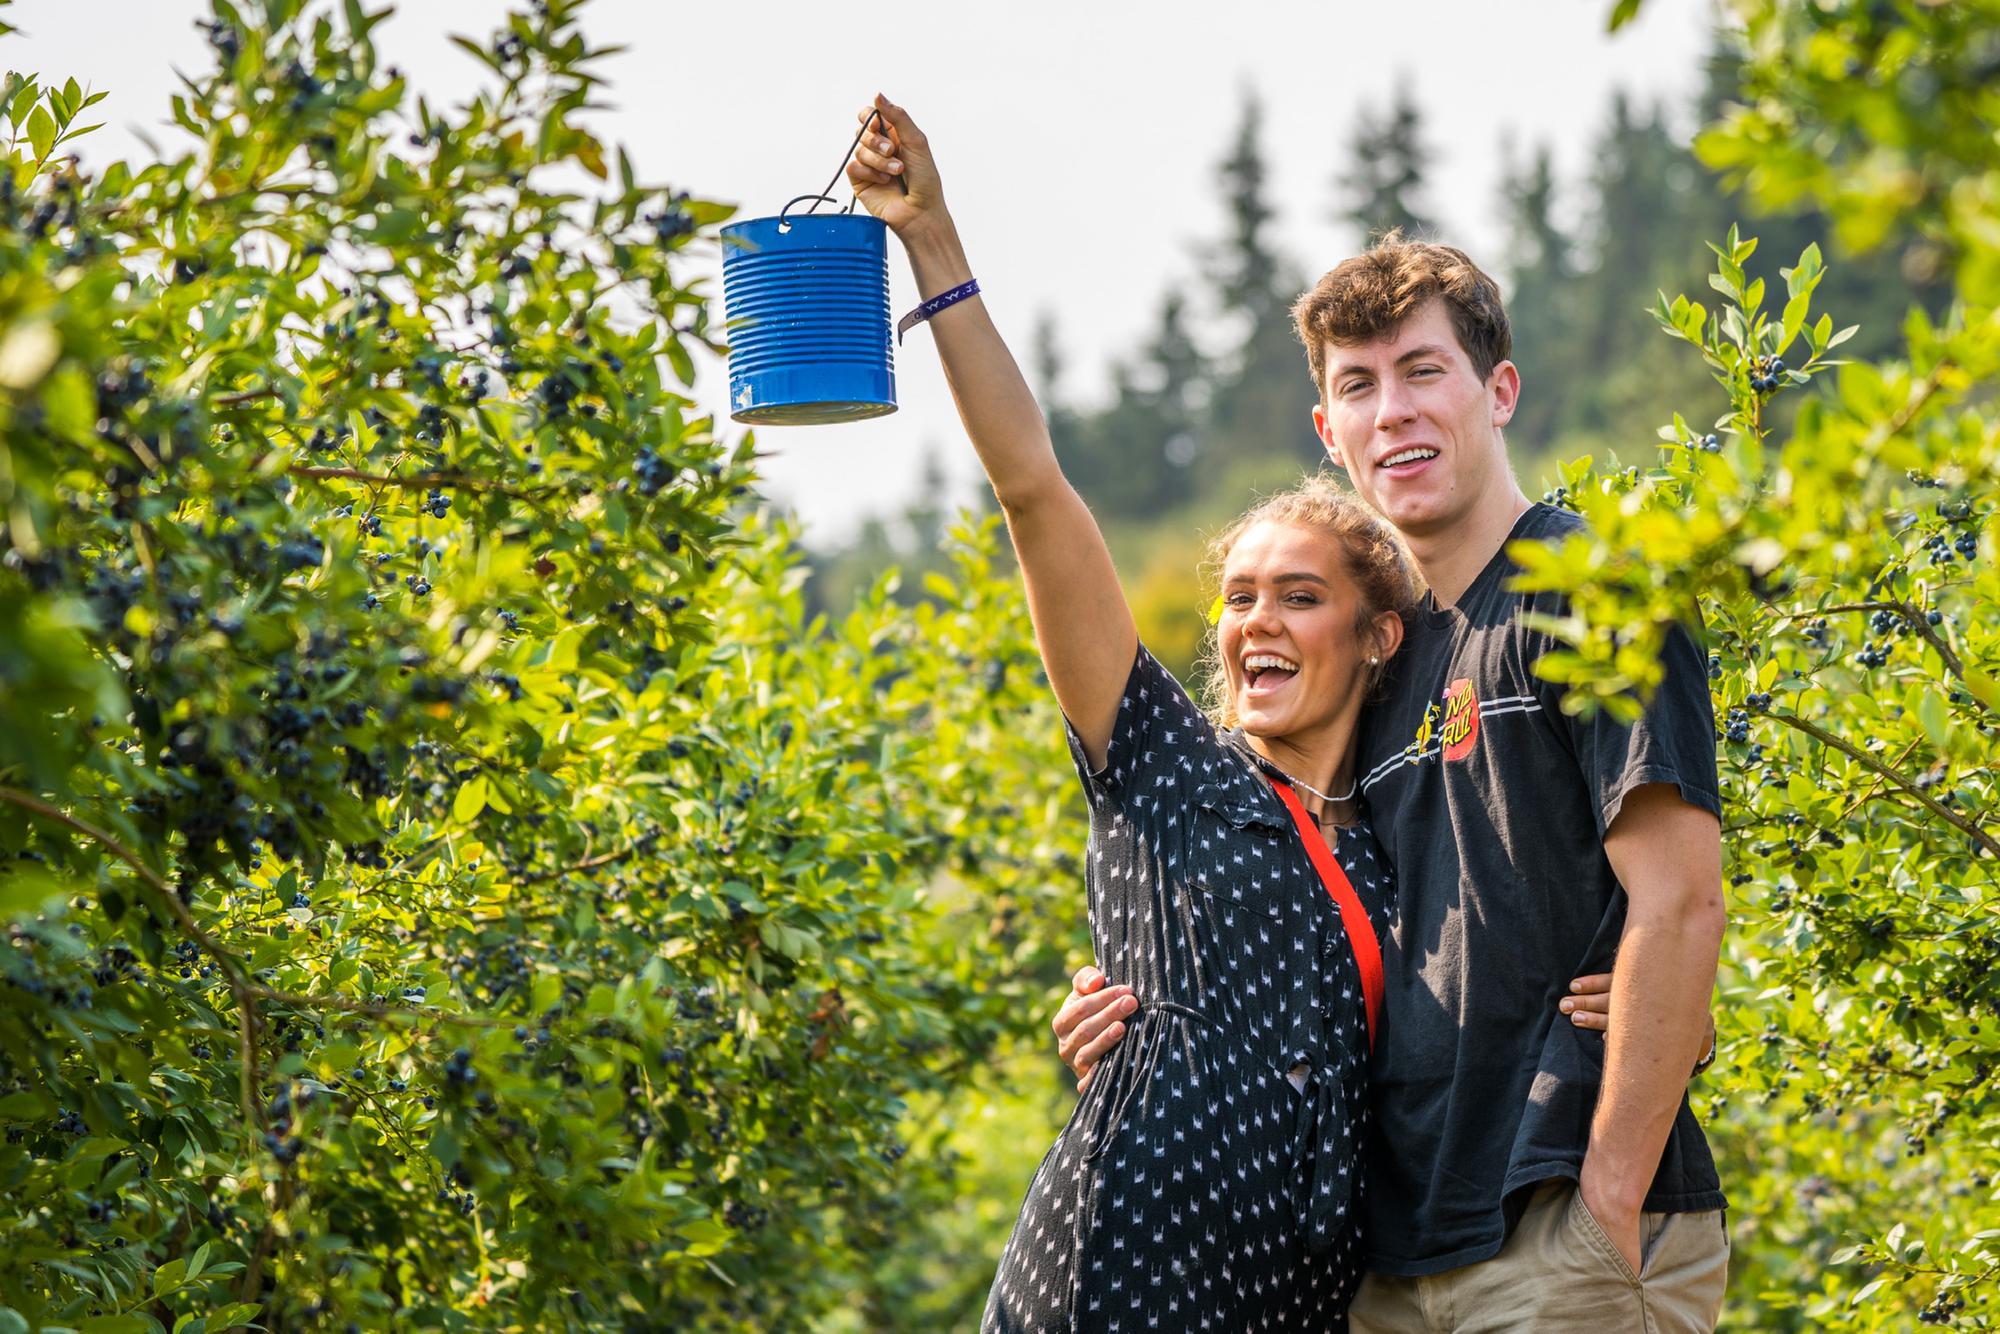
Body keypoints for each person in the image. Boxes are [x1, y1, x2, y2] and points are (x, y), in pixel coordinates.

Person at [1053, 226, 1733, 1329]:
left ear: (1497, 389)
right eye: (1357, 386)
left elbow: (1679, 898)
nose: (1392, 412)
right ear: (1328, 430)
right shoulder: (1371, 654)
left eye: (1423, 371)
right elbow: (1287, 884)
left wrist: (1607, 1196)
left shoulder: (1592, 592)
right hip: (1387, 1255)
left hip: (1557, 1215)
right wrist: (1133, 1003)